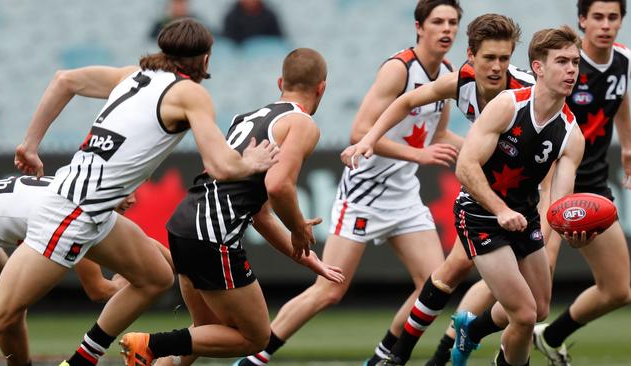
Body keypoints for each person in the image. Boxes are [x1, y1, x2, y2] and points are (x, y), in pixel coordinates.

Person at [0, 18, 278, 366]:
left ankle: (80, 361)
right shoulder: (190, 93)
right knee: (0, 315)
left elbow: (65, 80)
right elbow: (221, 166)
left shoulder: (134, 75)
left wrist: (30, 145)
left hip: (89, 208)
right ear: (207, 59)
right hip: (72, 213)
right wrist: (251, 162)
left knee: (153, 276)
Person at [236, 2, 462, 366]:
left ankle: (384, 357)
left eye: (453, 22)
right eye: (438, 21)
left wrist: (489, 152)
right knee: (330, 289)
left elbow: (440, 135)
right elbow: (360, 132)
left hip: (404, 195)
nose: (446, 29)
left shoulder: (449, 73)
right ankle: (255, 358)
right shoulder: (398, 70)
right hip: (365, 194)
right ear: (419, 27)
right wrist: (417, 155)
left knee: (433, 285)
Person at [118, 47, 345, 366]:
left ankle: (152, 351)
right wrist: (297, 227)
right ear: (322, 87)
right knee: (256, 337)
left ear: (280, 81)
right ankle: (151, 344)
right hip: (213, 235)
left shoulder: (247, 119)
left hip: (184, 223)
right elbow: (279, 186)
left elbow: (261, 214)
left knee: (204, 336)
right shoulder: (302, 124)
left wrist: (309, 261)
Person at [341, 13, 535, 366]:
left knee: (517, 293)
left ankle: (447, 343)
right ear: (471, 56)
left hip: (526, 195)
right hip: (489, 194)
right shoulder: (460, 81)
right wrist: (369, 140)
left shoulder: (526, 91)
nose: (496, 68)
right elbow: (406, 102)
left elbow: (557, 140)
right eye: (488, 58)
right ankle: (413, 354)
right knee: (483, 284)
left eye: (504, 59)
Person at [447, 26, 589, 366]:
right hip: (480, 214)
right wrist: (499, 210)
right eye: (562, 61)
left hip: (524, 217)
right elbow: (465, 166)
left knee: (539, 308)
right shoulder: (507, 106)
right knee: (525, 315)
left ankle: (473, 330)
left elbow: (559, 205)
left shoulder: (572, 134)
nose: (571, 70)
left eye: (575, 62)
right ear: (538, 67)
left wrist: (572, 232)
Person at [533, 1, 631, 365]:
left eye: (613, 17)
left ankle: (551, 337)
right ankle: (485, 340)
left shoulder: (623, 60)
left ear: (622, 21)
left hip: (593, 186)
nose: (605, 25)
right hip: (553, 179)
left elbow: (619, 98)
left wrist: (628, 146)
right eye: (598, 17)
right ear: (582, 20)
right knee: (538, 283)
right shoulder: (568, 65)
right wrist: (544, 195)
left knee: (618, 289)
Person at [0, 175, 146, 366]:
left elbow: (159, 260)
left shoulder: (83, 195)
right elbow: (99, 290)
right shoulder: (79, 215)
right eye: (126, 190)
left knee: (10, 312)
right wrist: (130, 283)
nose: (133, 199)